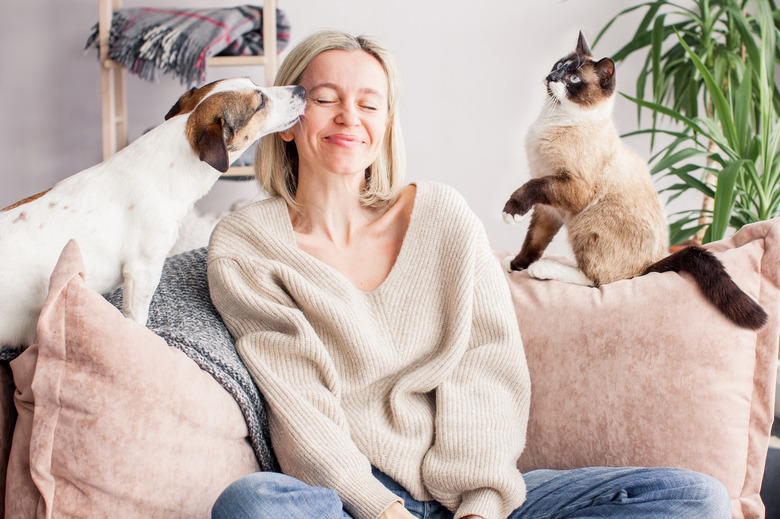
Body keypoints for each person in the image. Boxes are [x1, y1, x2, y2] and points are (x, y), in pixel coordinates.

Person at [206, 29, 731, 519]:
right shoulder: (248, 245)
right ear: (290, 117)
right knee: (250, 503)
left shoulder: (441, 216)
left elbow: (485, 365)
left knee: (695, 498)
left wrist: (479, 504)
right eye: (324, 99)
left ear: (386, 124)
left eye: (369, 103)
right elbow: (299, 403)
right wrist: (380, 509)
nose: (349, 116)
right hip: (353, 501)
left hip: (472, 498)